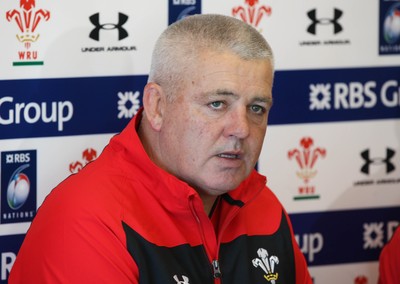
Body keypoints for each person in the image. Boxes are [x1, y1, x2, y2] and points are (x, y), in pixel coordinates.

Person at [9, 14, 312, 283]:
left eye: (257, 108)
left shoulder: (264, 207)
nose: (242, 129)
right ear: (156, 106)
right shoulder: (87, 222)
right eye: (217, 104)